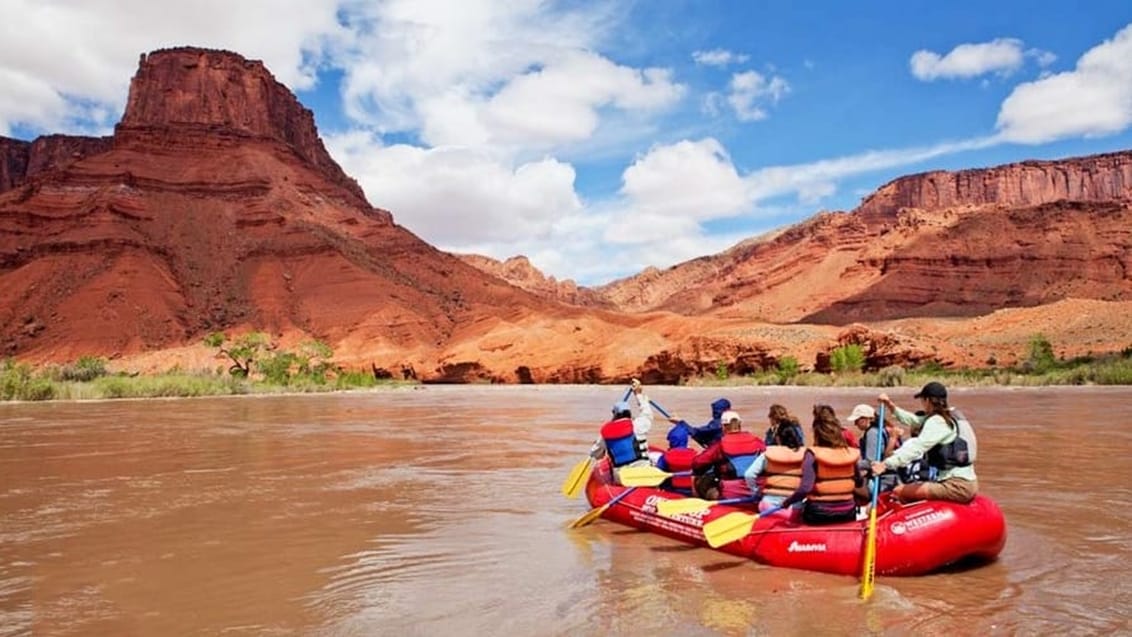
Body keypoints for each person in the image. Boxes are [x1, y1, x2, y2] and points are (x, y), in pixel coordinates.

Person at [871, 382, 978, 504]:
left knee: (898, 491)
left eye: (922, 400)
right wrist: (890, 406)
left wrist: (885, 465)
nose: (922, 404)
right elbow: (913, 420)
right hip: (966, 481)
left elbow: (917, 447)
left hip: (956, 486)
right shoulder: (946, 417)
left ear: (927, 400)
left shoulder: (938, 422)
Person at [776, 405, 863, 525]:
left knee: (800, 511)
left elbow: (805, 488)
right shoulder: (849, 453)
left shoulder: (812, 454)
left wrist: (787, 502)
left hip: (819, 513)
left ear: (817, 433)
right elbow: (859, 482)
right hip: (848, 512)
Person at [690, 410, 766, 500]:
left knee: (698, 480)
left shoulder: (720, 445)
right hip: (757, 489)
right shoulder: (757, 441)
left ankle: (705, 504)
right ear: (739, 424)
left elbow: (697, 463)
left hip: (731, 492)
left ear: (723, 427)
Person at [592, 379, 655, 481]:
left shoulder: (605, 432)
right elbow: (647, 413)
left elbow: (597, 454)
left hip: (622, 477)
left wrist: (597, 446)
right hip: (644, 472)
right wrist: (639, 395)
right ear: (629, 413)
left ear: (615, 414)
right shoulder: (638, 424)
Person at [744, 419, 806, 518]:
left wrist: (756, 492)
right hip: (794, 511)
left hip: (767, 508)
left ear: (778, 438)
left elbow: (749, 475)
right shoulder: (806, 456)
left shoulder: (767, 454)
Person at [847, 403, 902, 501]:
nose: (855, 424)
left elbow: (870, 461)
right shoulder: (883, 430)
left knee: (848, 485)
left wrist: (851, 465)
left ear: (866, 419)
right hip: (891, 476)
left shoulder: (872, 433)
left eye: (857, 420)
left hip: (882, 480)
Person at [667, 398, 732, 448]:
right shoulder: (734, 421)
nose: (714, 413)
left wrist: (680, 422)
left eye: (715, 411)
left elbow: (695, 432)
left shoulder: (717, 424)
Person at [656, 424, 696, 495]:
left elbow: (658, 472)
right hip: (691, 490)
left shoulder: (665, 456)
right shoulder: (695, 455)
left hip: (671, 489)